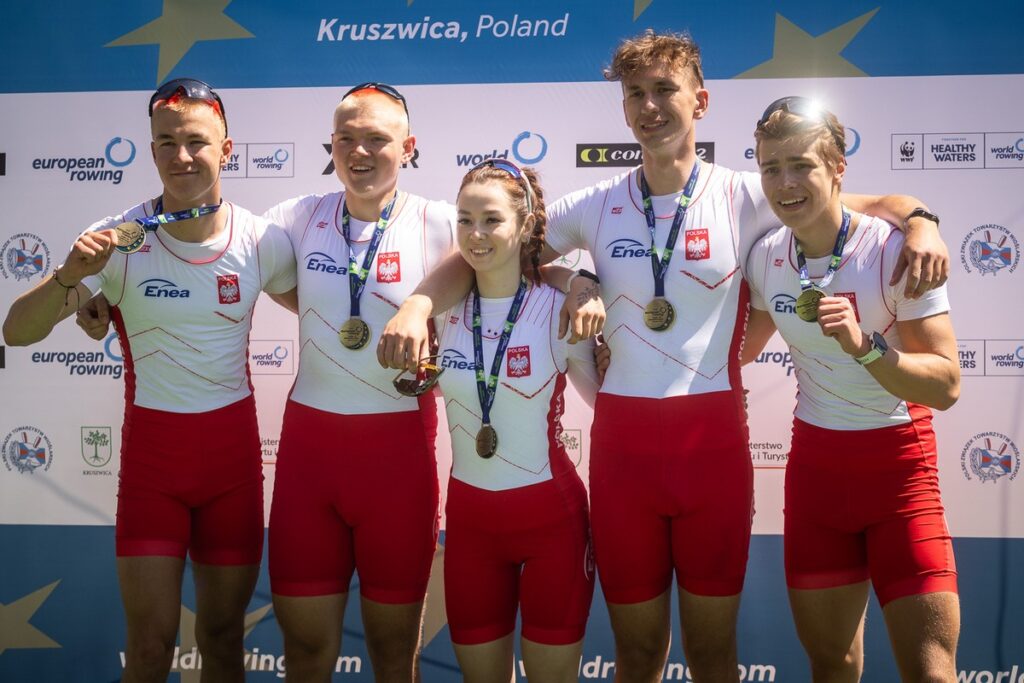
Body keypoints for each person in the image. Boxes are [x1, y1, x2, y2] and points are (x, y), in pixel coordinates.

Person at [377, 31, 950, 683]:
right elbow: (497, 253)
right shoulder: (594, 205)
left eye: (664, 91)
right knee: (639, 656)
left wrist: (922, 218)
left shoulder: (748, 193)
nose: (649, 107)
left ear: (700, 101)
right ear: (623, 107)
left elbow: (866, 204)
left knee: (711, 657)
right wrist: (429, 304)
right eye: (635, 94)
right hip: (625, 460)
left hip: (713, 455)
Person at [2, 78, 297, 682]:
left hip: (231, 466)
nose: (181, 157)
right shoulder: (119, 238)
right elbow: (17, 332)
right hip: (152, 471)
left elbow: (324, 315)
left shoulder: (262, 239)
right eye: (166, 142)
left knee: (220, 640)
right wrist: (68, 277)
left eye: (196, 141)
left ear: (227, 148)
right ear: (151, 148)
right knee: (149, 646)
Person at [742, 97, 960, 682]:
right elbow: (735, 353)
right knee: (831, 668)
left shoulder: (894, 250)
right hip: (817, 475)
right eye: (770, 168)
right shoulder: (765, 257)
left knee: (931, 672)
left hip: (899, 473)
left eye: (802, 166)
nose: (785, 184)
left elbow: (945, 384)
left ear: (838, 168)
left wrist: (867, 347)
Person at [416, 159, 598, 682]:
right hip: (471, 526)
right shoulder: (440, 307)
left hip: (552, 525)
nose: (475, 234)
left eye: (491, 219)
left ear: (525, 225)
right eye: (465, 219)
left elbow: (608, 409)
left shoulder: (558, 305)